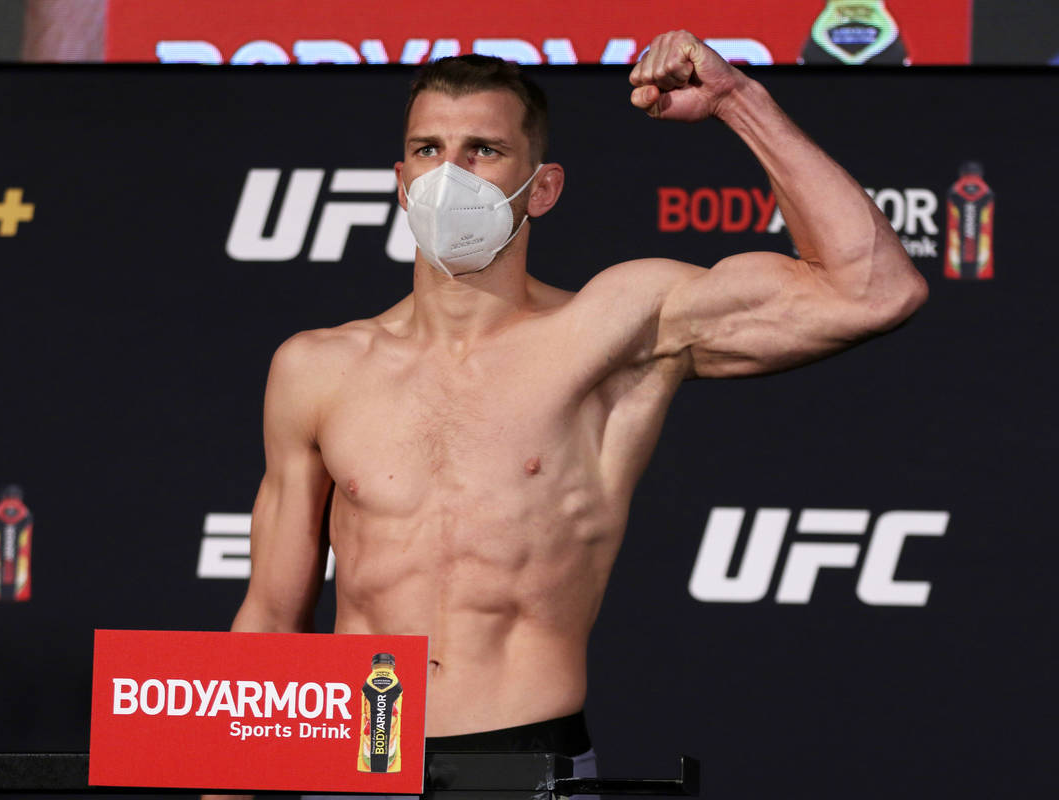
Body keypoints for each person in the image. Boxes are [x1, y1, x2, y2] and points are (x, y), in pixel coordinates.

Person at [225, 29, 927, 793]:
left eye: (483, 152)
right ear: (400, 180)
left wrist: (737, 100)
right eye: (428, 150)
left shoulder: (613, 329)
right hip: (357, 758)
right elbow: (270, 615)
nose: (447, 176)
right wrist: (223, 780)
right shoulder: (316, 368)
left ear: (545, 187)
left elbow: (873, 291)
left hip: (530, 761)